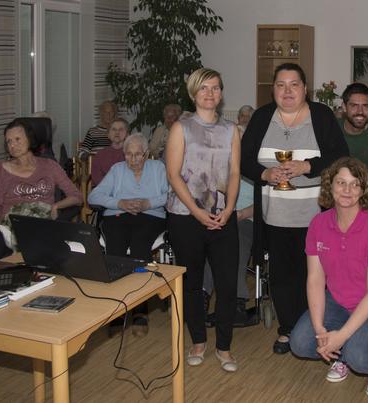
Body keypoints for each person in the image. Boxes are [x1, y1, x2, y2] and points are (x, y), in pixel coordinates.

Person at [241, 62, 349, 355]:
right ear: (273, 89)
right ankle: (289, 329)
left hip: (315, 217)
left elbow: (341, 155)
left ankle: (317, 328)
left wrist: (308, 166)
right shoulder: (263, 117)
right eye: (280, 85)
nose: (287, 91)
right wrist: (265, 174)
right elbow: (243, 159)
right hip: (273, 216)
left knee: (313, 275)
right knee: (281, 276)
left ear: (305, 89)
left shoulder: (321, 116)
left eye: (294, 85)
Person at [289, 157, 368, 398]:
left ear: (364, 190)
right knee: (301, 343)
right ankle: (343, 350)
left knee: (360, 357)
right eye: (341, 182)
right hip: (340, 301)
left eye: (355, 184)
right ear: (329, 186)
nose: (347, 190)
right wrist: (321, 330)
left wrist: (339, 337)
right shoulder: (318, 224)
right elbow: (314, 279)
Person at [165, 67, 241, 372]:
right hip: (186, 216)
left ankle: (224, 346)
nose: (211, 94)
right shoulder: (180, 129)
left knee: (226, 283)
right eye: (204, 88)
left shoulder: (231, 129)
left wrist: (230, 208)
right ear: (194, 92)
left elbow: (235, 172)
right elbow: (173, 175)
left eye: (216, 88)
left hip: (223, 215)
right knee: (192, 283)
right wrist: (198, 212)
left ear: (221, 93)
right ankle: (198, 340)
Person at [88, 133, 168, 337]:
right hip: (118, 215)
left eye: (138, 155)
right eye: (128, 155)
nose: (133, 160)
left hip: (150, 216)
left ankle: (140, 312)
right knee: (115, 252)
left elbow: (171, 194)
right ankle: (117, 312)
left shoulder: (158, 168)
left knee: (140, 251)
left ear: (147, 154)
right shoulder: (117, 170)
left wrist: (148, 203)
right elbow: (94, 195)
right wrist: (120, 203)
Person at [0, 119, 83, 259]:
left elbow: (76, 196)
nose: (13, 145)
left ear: (30, 139)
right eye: (9, 141)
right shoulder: (2, 169)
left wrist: (56, 206)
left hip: (42, 222)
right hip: (11, 224)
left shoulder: (50, 166)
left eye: (17, 139)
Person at [203, 117, 258, 328]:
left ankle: (237, 303)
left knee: (237, 244)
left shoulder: (254, 167)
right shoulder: (217, 167)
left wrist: (241, 214)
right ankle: (202, 297)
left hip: (247, 219)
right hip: (220, 217)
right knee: (208, 243)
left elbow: (264, 203)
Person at [90, 117, 129, 186]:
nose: (117, 132)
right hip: (105, 190)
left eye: (121, 129)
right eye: (114, 129)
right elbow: (96, 178)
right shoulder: (100, 155)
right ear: (108, 134)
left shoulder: (132, 154)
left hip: (126, 190)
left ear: (127, 134)